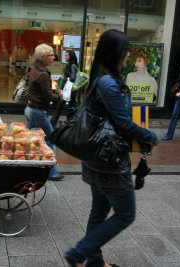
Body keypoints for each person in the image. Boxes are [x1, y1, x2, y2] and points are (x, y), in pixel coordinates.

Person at [64, 29, 158, 267]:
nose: (128, 54)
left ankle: (94, 262)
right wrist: (150, 136)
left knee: (99, 211)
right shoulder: (107, 82)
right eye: (125, 49)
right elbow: (124, 124)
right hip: (109, 161)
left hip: (97, 156)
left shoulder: (102, 78)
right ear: (116, 51)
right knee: (126, 215)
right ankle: (79, 253)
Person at [24, 43, 64, 180]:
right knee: (50, 139)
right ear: (43, 57)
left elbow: (42, 92)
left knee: (26, 139)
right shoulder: (43, 74)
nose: (54, 57)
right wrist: (59, 96)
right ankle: (52, 172)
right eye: (51, 55)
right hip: (37, 111)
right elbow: (47, 96)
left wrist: (53, 92)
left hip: (30, 109)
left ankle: (22, 162)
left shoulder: (35, 69)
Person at [50, 50, 78, 127]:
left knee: (60, 108)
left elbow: (72, 77)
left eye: (66, 56)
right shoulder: (70, 65)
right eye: (65, 55)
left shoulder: (72, 65)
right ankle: (73, 125)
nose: (65, 57)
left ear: (70, 57)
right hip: (69, 91)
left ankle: (52, 125)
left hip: (68, 91)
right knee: (72, 108)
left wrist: (66, 77)